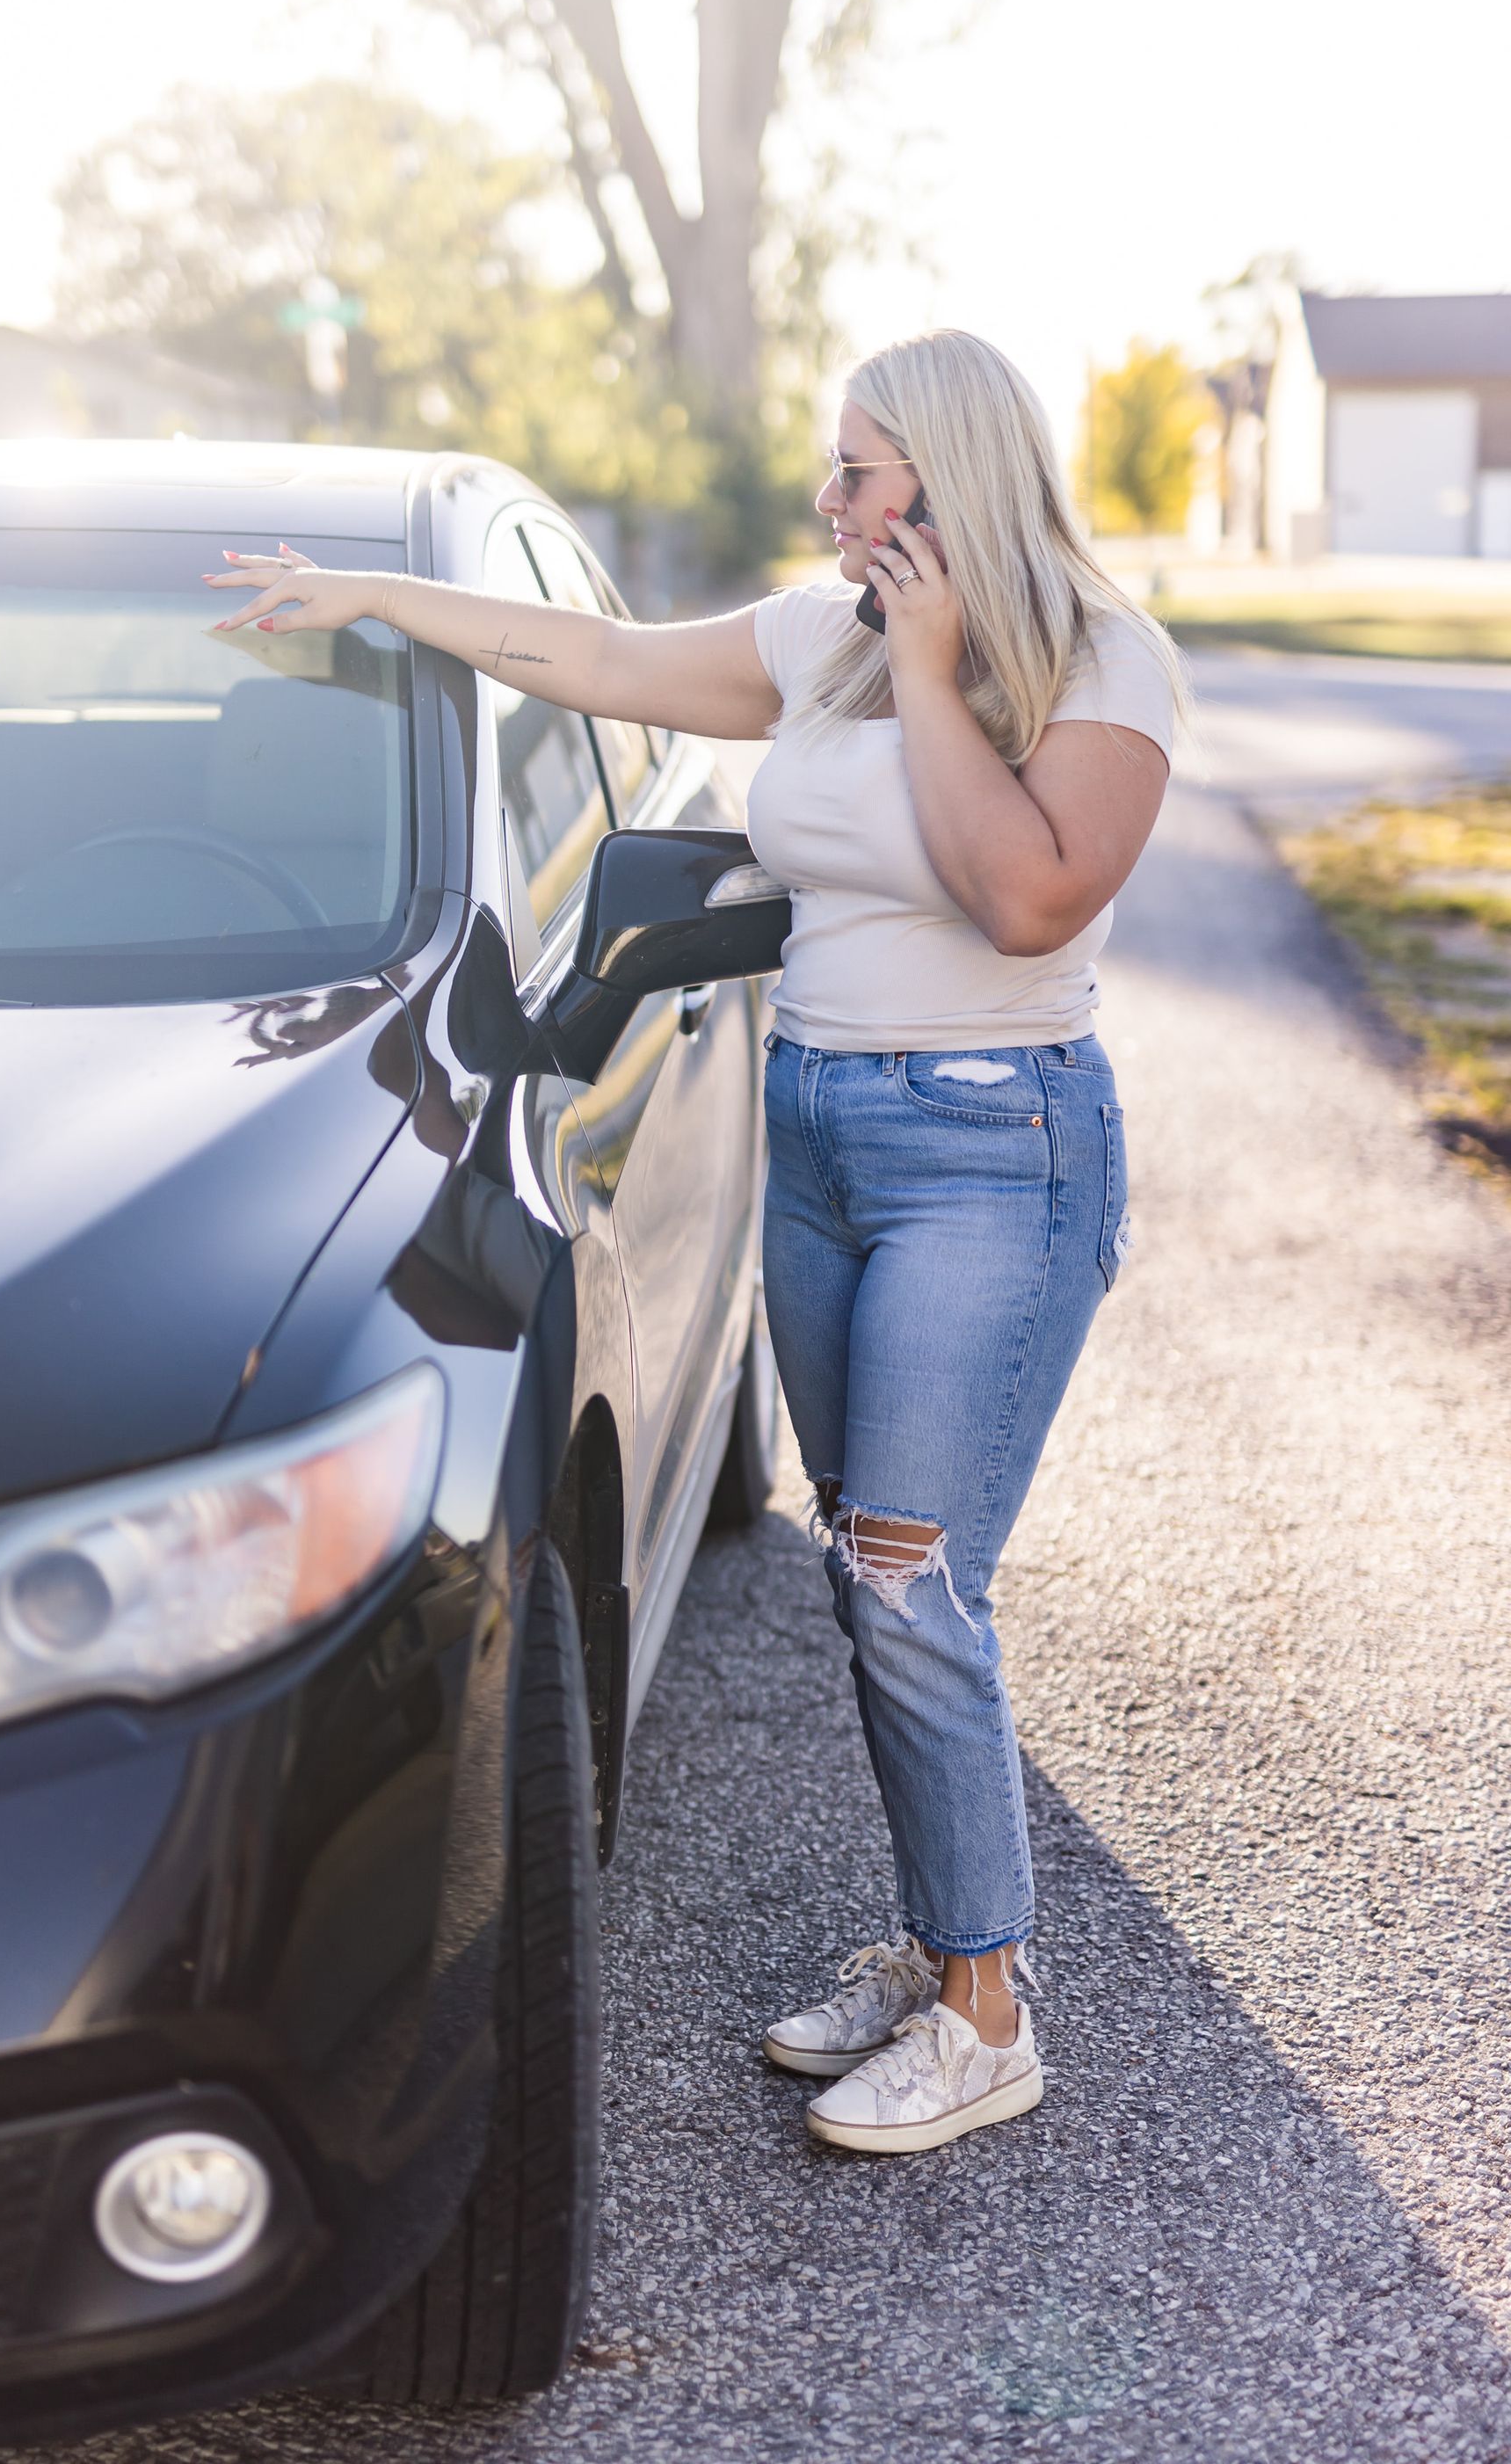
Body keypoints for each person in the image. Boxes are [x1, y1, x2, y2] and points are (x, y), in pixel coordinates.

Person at [204, 325, 1186, 2158]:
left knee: (907, 1576)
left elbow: (1027, 887)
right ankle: (942, 1949)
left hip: (995, 1147)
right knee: (867, 1575)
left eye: (860, 474)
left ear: (954, 476)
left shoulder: (1094, 658)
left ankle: (990, 2014)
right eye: (832, 471)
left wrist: (936, 663)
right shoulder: (822, 639)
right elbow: (585, 653)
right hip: (814, 1129)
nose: (829, 504)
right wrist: (366, 597)